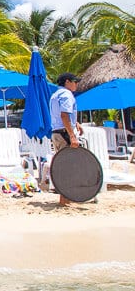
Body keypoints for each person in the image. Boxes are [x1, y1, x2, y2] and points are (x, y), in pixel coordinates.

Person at [50, 72, 84, 206]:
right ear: (67, 82)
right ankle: (65, 199)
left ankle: (65, 198)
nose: (77, 84)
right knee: (69, 166)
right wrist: (72, 135)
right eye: (75, 82)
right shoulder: (66, 95)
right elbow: (64, 115)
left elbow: (61, 115)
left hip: (56, 132)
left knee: (63, 165)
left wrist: (76, 123)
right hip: (64, 134)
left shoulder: (55, 95)